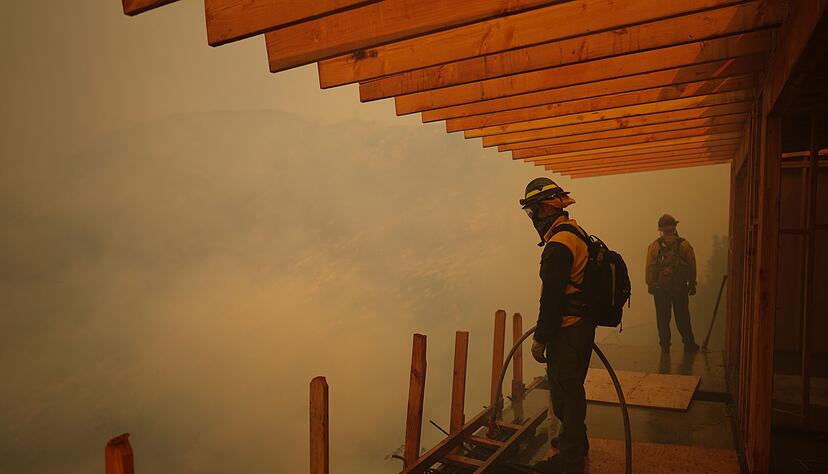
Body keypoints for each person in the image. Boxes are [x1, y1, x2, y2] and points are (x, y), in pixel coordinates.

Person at [521, 177, 594, 474]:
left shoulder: (559, 244)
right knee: (571, 391)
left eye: (534, 212)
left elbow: (552, 298)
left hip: (568, 328)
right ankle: (576, 447)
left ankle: (571, 461)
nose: (533, 219)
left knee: (567, 394)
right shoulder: (575, 232)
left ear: (546, 209)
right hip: (581, 325)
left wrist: (541, 338)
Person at [645, 214, 699, 354]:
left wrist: (650, 284)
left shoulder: (654, 246)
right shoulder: (684, 245)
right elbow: (692, 267)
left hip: (660, 288)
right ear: (674, 227)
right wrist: (692, 284)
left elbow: (649, 267)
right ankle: (689, 343)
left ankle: (665, 346)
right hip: (680, 287)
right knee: (682, 316)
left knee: (662, 318)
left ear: (661, 229)